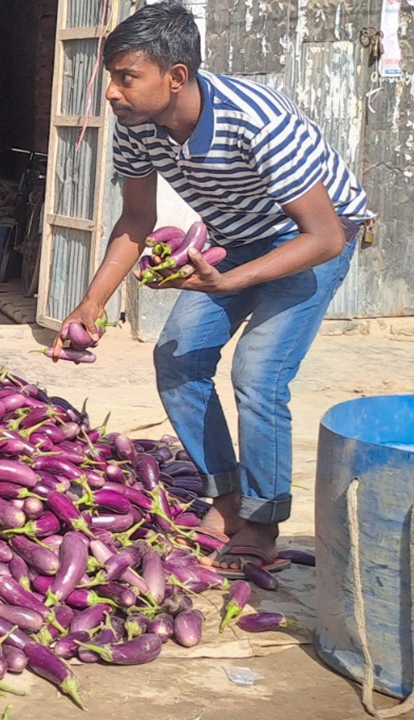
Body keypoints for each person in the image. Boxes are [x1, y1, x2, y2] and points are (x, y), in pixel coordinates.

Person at [54, 2, 371, 576]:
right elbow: (135, 221)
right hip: (235, 240)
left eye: (127, 77)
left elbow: (323, 235)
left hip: (311, 239)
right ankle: (225, 499)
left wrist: (228, 280)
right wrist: (91, 302)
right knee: (177, 356)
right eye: (112, 77)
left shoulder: (257, 119)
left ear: (176, 77)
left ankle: (263, 521)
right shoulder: (138, 128)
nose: (112, 93)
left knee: (259, 371)